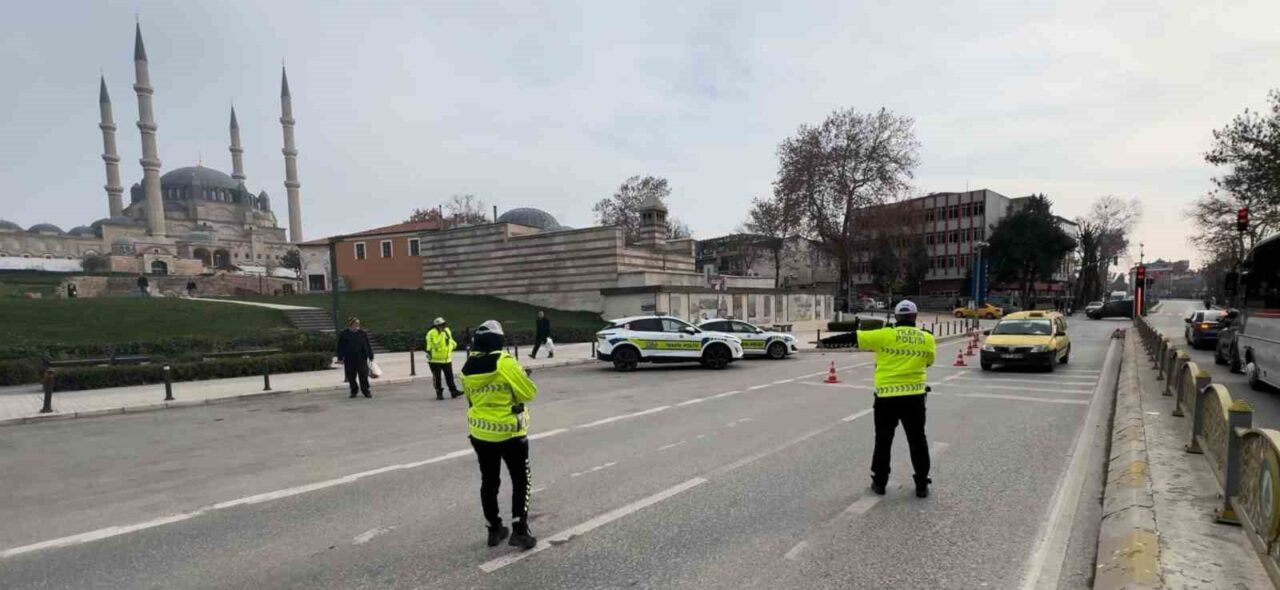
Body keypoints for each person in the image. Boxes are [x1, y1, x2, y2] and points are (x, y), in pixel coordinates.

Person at [462, 320, 539, 550]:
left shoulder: (467, 366)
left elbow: (471, 398)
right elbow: (528, 393)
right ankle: (520, 531)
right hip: (509, 433)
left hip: (480, 433)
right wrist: (522, 377)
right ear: (498, 340)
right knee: (521, 480)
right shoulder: (505, 362)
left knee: (489, 481)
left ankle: (494, 528)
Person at [850, 300, 937, 498]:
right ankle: (921, 484)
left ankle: (880, 482)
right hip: (914, 398)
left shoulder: (885, 334)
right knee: (917, 440)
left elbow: (854, 337)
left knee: (883, 440)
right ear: (915, 317)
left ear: (896, 317)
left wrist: (824, 341)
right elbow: (929, 362)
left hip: (886, 398)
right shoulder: (927, 338)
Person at [336, 317, 374, 399]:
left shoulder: (362, 333)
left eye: (358, 324)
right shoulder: (344, 334)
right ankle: (354, 391)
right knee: (351, 376)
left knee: (363, 375)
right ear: (351, 324)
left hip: (361, 358)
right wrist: (340, 357)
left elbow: (367, 345)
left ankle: (366, 391)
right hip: (349, 358)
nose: (357, 325)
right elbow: (340, 347)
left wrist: (370, 355)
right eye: (355, 324)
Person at [426, 317, 461, 400]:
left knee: (450, 376)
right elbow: (435, 344)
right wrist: (441, 334)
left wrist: (453, 345)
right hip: (435, 360)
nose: (442, 326)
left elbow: (450, 339)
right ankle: (439, 393)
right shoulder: (431, 333)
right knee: (437, 378)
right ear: (436, 326)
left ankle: (454, 391)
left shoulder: (447, 330)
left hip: (446, 359)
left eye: (443, 325)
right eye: (440, 325)